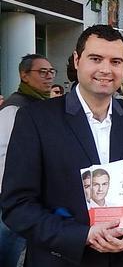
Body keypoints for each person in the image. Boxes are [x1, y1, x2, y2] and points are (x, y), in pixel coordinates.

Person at [0, 24, 123, 266]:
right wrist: (81, 236)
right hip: (61, 259)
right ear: (77, 60)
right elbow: (17, 205)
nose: (106, 69)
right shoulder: (35, 119)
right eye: (96, 59)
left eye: (116, 61)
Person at [0, 53, 54, 266]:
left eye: (51, 72)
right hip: (15, 196)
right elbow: (4, 155)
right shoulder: (14, 108)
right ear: (24, 75)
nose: (49, 76)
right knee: (9, 246)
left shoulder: (39, 105)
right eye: (42, 72)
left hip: (34, 195)